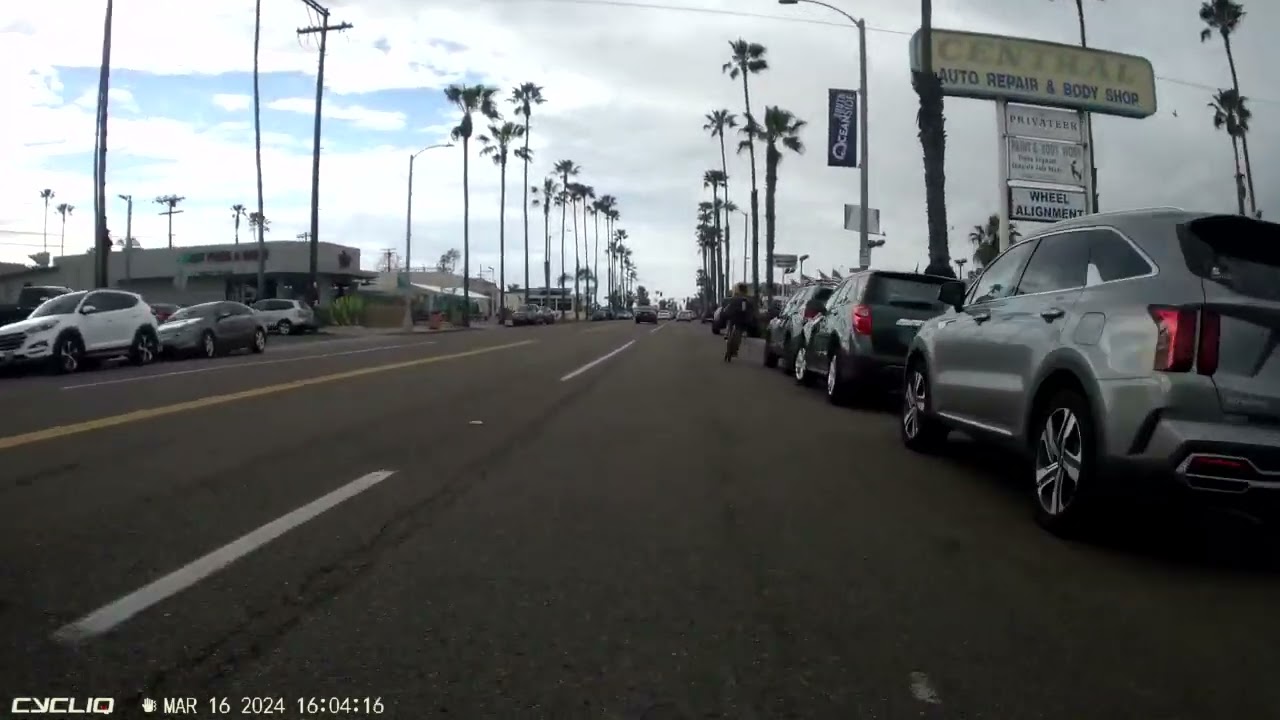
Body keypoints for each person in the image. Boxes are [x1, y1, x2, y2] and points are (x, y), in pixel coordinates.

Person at [721, 283, 753, 362]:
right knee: (737, 336)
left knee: (733, 334)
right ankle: (733, 350)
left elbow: (728, 309)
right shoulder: (744, 300)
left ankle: (730, 346)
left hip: (734, 319)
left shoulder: (738, 299)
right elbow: (746, 312)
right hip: (737, 320)